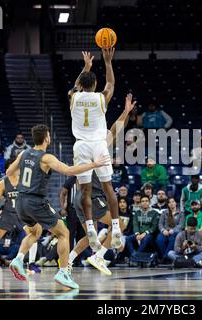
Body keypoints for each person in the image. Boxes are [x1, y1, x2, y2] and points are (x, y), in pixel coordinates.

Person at [6, 124, 110, 288]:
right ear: (47, 138)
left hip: (20, 201)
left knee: (35, 231)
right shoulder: (46, 157)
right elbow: (69, 171)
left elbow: (9, 172)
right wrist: (94, 165)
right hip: (35, 201)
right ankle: (63, 272)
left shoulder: (23, 153)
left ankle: (18, 259)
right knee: (64, 233)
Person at [67, 94, 136, 275]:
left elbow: (115, 128)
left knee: (92, 236)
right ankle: (99, 257)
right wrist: (125, 112)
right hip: (93, 196)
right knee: (119, 224)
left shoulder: (82, 143)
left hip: (79, 198)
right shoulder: (99, 143)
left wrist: (125, 112)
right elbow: (116, 128)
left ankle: (67, 261)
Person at [69, 49, 123, 252]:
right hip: (99, 144)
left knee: (85, 190)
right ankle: (116, 227)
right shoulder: (101, 99)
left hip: (81, 145)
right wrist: (107, 61)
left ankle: (90, 227)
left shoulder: (73, 97)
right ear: (94, 85)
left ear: (81, 86)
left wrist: (86, 67)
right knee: (108, 186)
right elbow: (111, 84)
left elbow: (75, 85)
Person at [59, 176, 85, 259]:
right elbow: (62, 193)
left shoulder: (87, 178)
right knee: (70, 235)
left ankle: (77, 259)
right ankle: (67, 258)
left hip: (84, 211)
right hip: (72, 211)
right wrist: (63, 208)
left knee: (81, 235)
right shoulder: (71, 179)